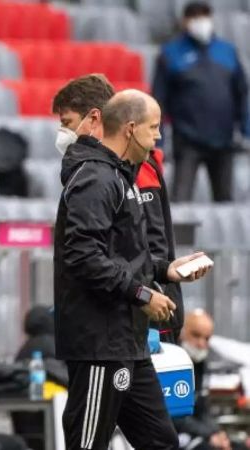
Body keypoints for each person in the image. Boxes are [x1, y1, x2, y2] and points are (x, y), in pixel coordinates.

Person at [54, 89, 213, 450]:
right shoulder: (95, 178)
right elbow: (83, 256)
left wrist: (166, 270)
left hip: (128, 343)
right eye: (153, 127)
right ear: (129, 128)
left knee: (162, 443)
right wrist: (141, 294)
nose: (158, 137)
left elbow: (122, 255)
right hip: (100, 345)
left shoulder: (119, 175)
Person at [53, 74, 185, 344]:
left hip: (144, 316)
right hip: (126, 313)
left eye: (67, 123)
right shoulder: (102, 172)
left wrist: (153, 290)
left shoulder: (137, 169)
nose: (62, 133)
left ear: (94, 119)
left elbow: (149, 243)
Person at [152, 1, 249, 202]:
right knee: (181, 199)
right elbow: (159, 100)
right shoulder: (170, 53)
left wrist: (246, 129)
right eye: (194, 17)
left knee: (225, 201)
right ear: (185, 21)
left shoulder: (227, 51)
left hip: (224, 139)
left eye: (204, 16)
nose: (200, 21)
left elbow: (241, 92)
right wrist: (158, 139)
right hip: (187, 140)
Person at [174, 310, 249, 450]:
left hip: (195, 431)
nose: (201, 343)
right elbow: (172, 416)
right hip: (174, 435)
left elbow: (202, 408)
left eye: (207, 338)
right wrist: (209, 435)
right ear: (183, 332)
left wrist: (218, 434)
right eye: (196, 335)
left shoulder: (200, 364)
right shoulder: (171, 363)